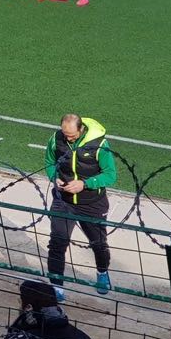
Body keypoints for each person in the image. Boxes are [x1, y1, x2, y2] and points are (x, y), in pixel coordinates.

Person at [45, 114, 116, 297]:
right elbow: (50, 163)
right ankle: (56, 287)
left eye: (72, 136)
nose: (68, 138)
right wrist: (55, 178)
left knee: (98, 244)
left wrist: (85, 184)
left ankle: (102, 272)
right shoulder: (56, 138)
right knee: (57, 243)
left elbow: (110, 175)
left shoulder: (99, 145)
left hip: (92, 203)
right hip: (63, 201)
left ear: (81, 129)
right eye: (65, 134)